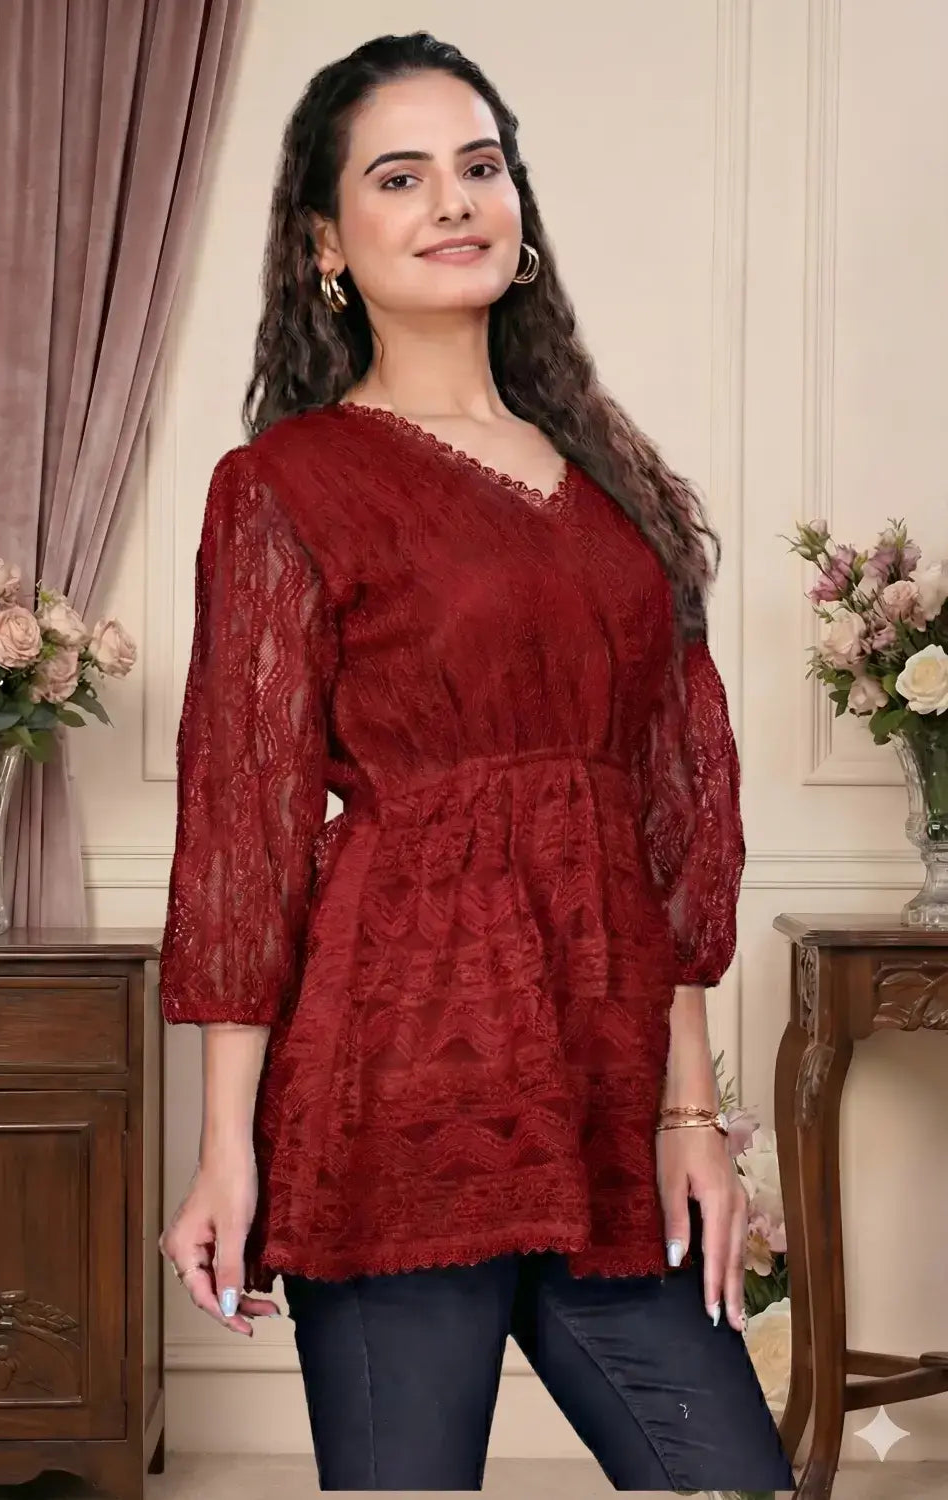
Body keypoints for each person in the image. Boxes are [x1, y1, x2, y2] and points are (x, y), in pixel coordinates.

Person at [157, 30, 796, 1495]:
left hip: (599, 1083)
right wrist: (226, 1149)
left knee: (731, 1480)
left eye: (481, 166)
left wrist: (689, 1113)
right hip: (392, 1091)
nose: (456, 201)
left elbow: (664, 821)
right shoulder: (287, 484)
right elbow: (242, 836)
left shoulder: (612, 482)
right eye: (401, 176)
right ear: (328, 241)